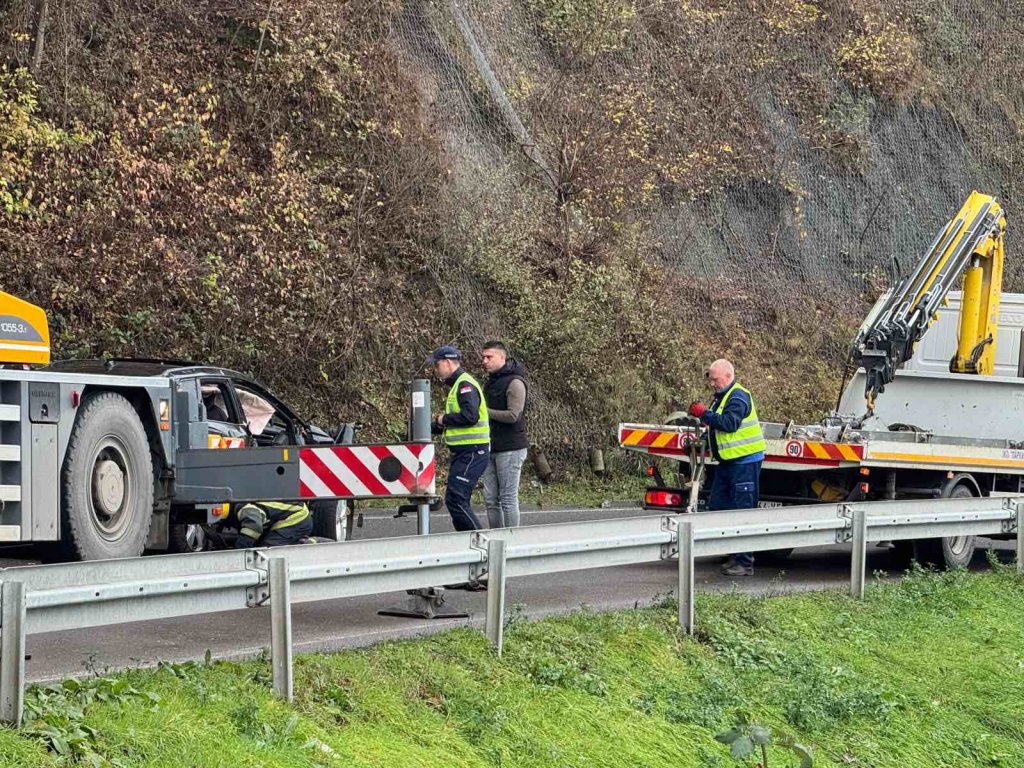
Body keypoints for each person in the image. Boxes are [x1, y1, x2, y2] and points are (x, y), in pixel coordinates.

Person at [689, 359, 766, 576]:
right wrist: (704, 437)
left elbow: (730, 424)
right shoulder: (722, 397)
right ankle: (734, 555)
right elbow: (717, 428)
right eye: (710, 380)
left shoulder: (738, 396)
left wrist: (704, 413)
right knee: (719, 506)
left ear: (728, 376)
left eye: (715, 379)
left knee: (742, 511)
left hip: (744, 462)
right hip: (728, 462)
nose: (712, 383)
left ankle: (745, 563)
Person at [429, 345, 490, 532]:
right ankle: (467, 540)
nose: (436, 369)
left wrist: (443, 419)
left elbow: (470, 416)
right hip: (465, 452)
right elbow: (457, 422)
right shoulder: (458, 384)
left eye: (437, 365)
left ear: (447, 362)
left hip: (473, 451)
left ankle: (479, 540)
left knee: (456, 499)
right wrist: (430, 426)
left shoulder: (464, 385)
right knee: (455, 499)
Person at [480, 341, 528, 528]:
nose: (484, 361)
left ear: (502, 357)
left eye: (489, 357)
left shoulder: (515, 382)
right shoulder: (491, 382)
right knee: (490, 500)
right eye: (483, 357)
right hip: (490, 446)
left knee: (507, 499)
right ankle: (496, 538)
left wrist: (484, 412)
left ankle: (512, 540)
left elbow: (513, 415)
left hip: (511, 448)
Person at [233, 500, 312, 548]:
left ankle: (307, 544)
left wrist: (240, 552)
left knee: (268, 550)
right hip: (288, 513)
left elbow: (254, 527)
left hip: (297, 517)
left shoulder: (247, 509)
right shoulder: (239, 500)